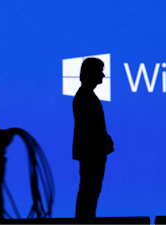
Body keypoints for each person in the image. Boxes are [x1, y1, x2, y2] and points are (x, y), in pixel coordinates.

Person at [73, 57, 114, 219]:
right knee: (89, 190)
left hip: (92, 151)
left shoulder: (85, 95)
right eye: (100, 72)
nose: (103, 75)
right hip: (92, 152)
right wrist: (104, 141)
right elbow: (91, 127)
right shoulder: (85, 96)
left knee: (89, 190)